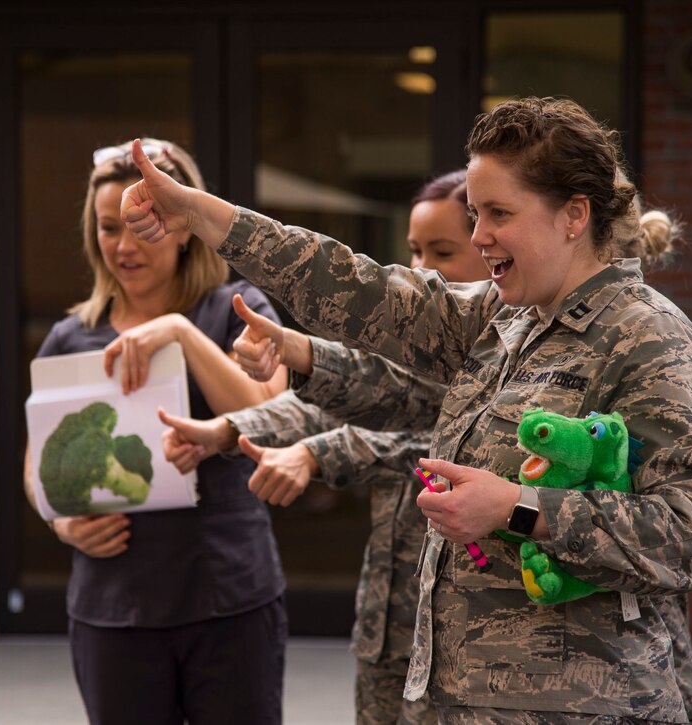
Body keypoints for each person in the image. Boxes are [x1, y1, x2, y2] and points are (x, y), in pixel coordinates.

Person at [120, 98, 692, 723]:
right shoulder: (504, 320)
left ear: (574, 215)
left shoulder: (650, 338)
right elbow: (357, 286)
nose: (478, 236)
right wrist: (197, 213)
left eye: (500, 213)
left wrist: (515, 508)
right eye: (475, 213)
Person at [159, 170, 485, 725]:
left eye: (443, 252)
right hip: (393, 629)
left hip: (475, 642)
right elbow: (342, 398)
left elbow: (422, 440)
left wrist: (315, 454)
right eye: (414, 252)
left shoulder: (511, 349)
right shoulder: (421, 348)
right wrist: (229, 429)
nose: (422, 271)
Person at [22, 137, 289, 725]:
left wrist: (180, 332)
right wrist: (63, 522)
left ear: (185, 225)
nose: (122, 246)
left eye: (139, 225)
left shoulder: (235, 310)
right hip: (113, 608)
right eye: (106, 228)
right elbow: (38, 464)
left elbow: (270, 424)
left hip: (226, 598)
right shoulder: (72, 336)